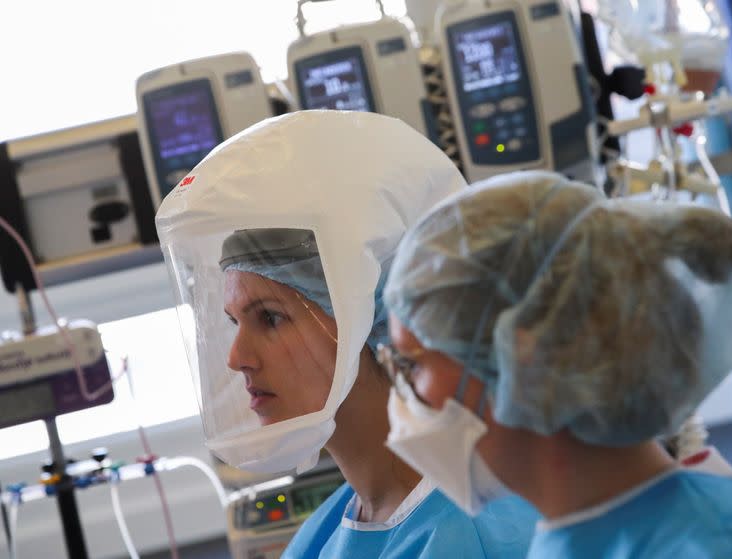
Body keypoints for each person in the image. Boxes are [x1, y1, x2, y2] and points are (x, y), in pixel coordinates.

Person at [155, 111, 537, 558]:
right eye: (235, 321)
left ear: (377, 321)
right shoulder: (335, 526)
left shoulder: (469, 538)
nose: (237, 357)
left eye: (271, 319)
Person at [381, 170, 732, 558]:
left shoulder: (710, 545)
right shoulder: (588, 533)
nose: (401, 395)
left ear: (522, 359)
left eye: (411, 364)